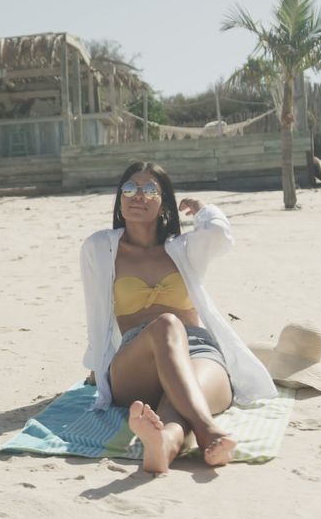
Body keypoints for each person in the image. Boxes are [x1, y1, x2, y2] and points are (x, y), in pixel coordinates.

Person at [80, 161, 276, 473]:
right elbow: (95, 314)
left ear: (165, 204)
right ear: (119, 199)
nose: (137, 196)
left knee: (181, 394)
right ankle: (207, 430)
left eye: (149, 190)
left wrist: (202, 211)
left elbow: (221, 235)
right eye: (129, 188)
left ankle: (165, 444)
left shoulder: (183, 248)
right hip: (136, 359)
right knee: (168, 325)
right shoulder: (100, 248)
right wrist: (96, 366)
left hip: (198, 351)